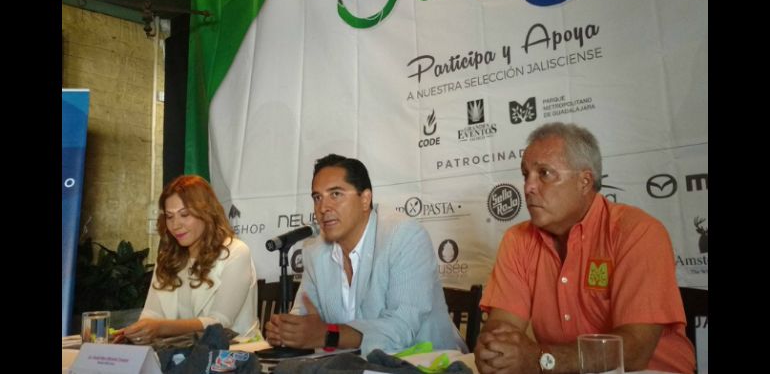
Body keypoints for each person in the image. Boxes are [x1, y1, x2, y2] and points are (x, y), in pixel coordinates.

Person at [475, 123, 695, 374]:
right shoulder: (517, 239)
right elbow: (502, 326)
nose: (528, 187)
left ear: (584, 181)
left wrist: (540, 359)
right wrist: (495, 350)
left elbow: (635, 351)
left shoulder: (638, 232)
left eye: (544, 173)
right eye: (526, 175)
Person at [265, 154, 466, 355]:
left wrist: (328, 335)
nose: (323, 208)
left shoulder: (404, 236)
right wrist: (287, 331)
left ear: (365, 199)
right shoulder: (315, 250)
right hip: (353, 366)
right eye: (317, 197)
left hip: (426, 363)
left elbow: (402, 328)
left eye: (335, 194)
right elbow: (305, 315)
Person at [121, 175, 258, 344]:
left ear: (206, 213)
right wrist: (135, 332)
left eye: (184, 214)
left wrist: (160, 328)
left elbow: (220, 323)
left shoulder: (236, 251)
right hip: (178, 352)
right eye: (170, 216)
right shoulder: (168, 256)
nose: (175, 225)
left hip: (234, 353)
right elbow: (151, 314)